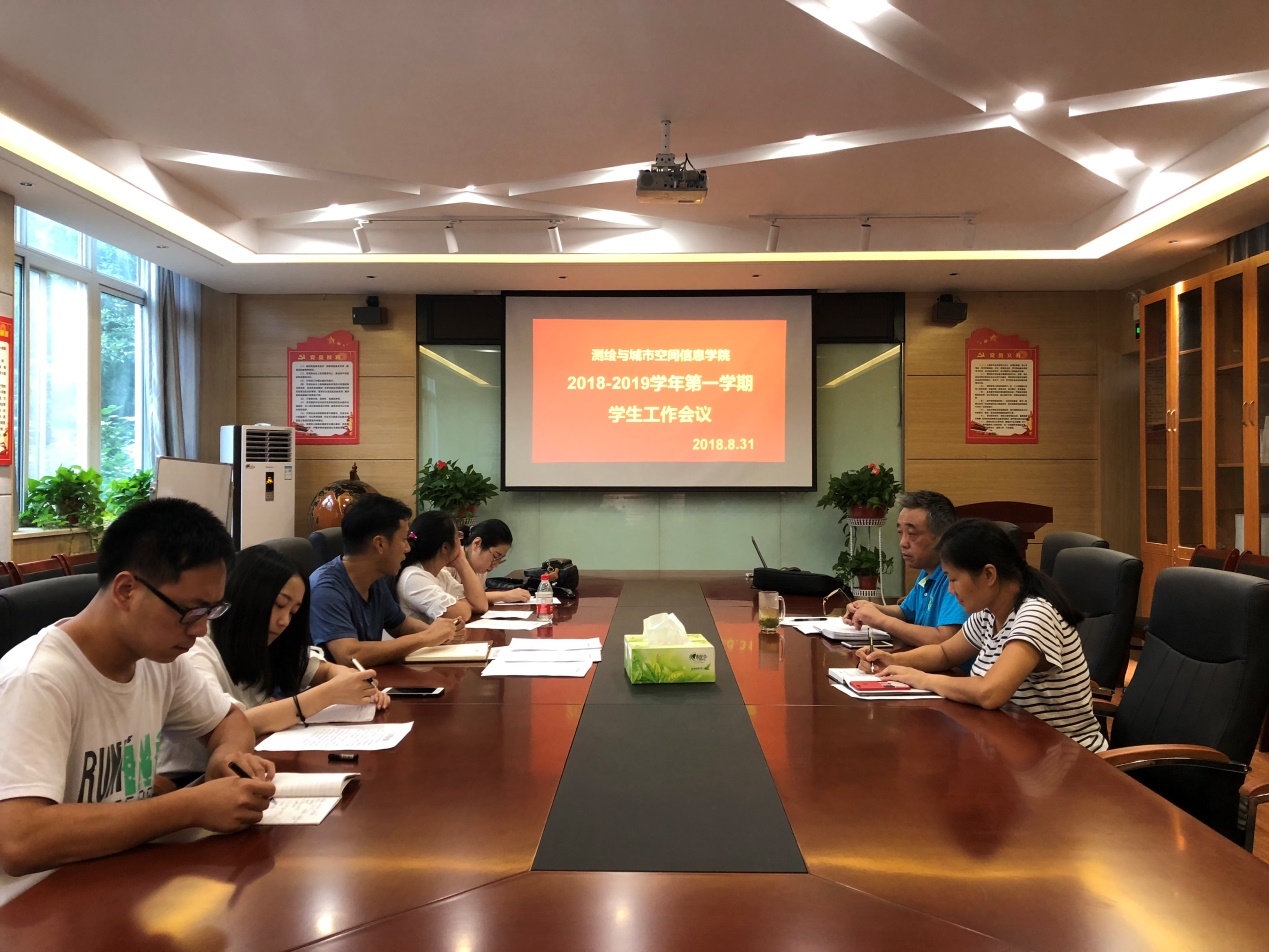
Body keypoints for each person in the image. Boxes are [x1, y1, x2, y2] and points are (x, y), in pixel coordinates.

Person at [0, 498, 275, 893]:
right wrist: (191, 806)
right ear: (126, 590)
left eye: (211, 612)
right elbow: (20, 840)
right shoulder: (37, 680)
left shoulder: (158, 659)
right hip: (36, 903)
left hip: (120, 878)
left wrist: (227, 757)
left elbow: (228, 721)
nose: (200, 631)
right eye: (191, 611)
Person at [856, 518, 1107, 752]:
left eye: (954, 579)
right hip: (1014, 745)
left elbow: (990, 692)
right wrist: (892, 661)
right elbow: (944, 653)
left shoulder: (1035, 614)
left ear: (988, 575)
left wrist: (921, 679)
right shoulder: (990, 613)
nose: (951, 590)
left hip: (1065, 759)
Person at [159, 545, 390, 779]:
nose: (284, 621)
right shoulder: (196, 647)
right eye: (280, 605)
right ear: (246, 596)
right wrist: (328, 694)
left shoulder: (266, 640)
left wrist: (350, 681)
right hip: (190, 778)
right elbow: (228, 725)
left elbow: (324, 670)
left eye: (293, 612)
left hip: (247, 763)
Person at [309, 494, 461, 666]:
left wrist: (443, 633)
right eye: (403, 540)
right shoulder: (326, 588)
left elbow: (400, 625)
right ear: (380, 544)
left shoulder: (375, 579)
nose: (408, 548)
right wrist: (426, 637)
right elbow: (349, 655)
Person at [845, 490, 967, 647]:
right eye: (900, 533)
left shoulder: (958, 576)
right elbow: (905, 613)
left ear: (943, 537)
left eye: (911, 534)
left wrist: (881, 620)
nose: (903, 543)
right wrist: (870, 608)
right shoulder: (928, 570)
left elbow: (945, 641)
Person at [398, 510, 485, 623]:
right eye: (458, 536)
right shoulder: (413, 577)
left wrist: (462, 563)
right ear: (445, 547)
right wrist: (466, 605)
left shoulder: (441, 574)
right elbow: (460, 614)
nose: (461, 543)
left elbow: (480, 605)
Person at [464, 519, 531, 605]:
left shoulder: (481, 571)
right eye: (495, 557)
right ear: (477, 544)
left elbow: (477, 601)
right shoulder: (451, 563)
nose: (495, 565)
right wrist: (504, 596)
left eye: (500, 559)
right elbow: (456, 600)